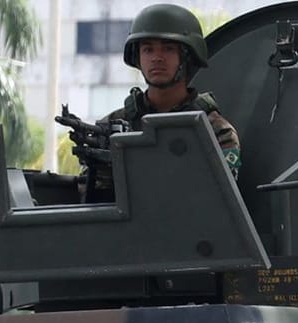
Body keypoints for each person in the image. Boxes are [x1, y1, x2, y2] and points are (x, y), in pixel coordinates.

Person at [82, 3, 241, 192]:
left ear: (188, 57)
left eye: (168, 49)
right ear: (138, 58)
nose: (157, 57)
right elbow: (90, 195)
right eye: (148, 50)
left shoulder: (215, 131)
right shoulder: (112, 127)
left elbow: (219, 197)